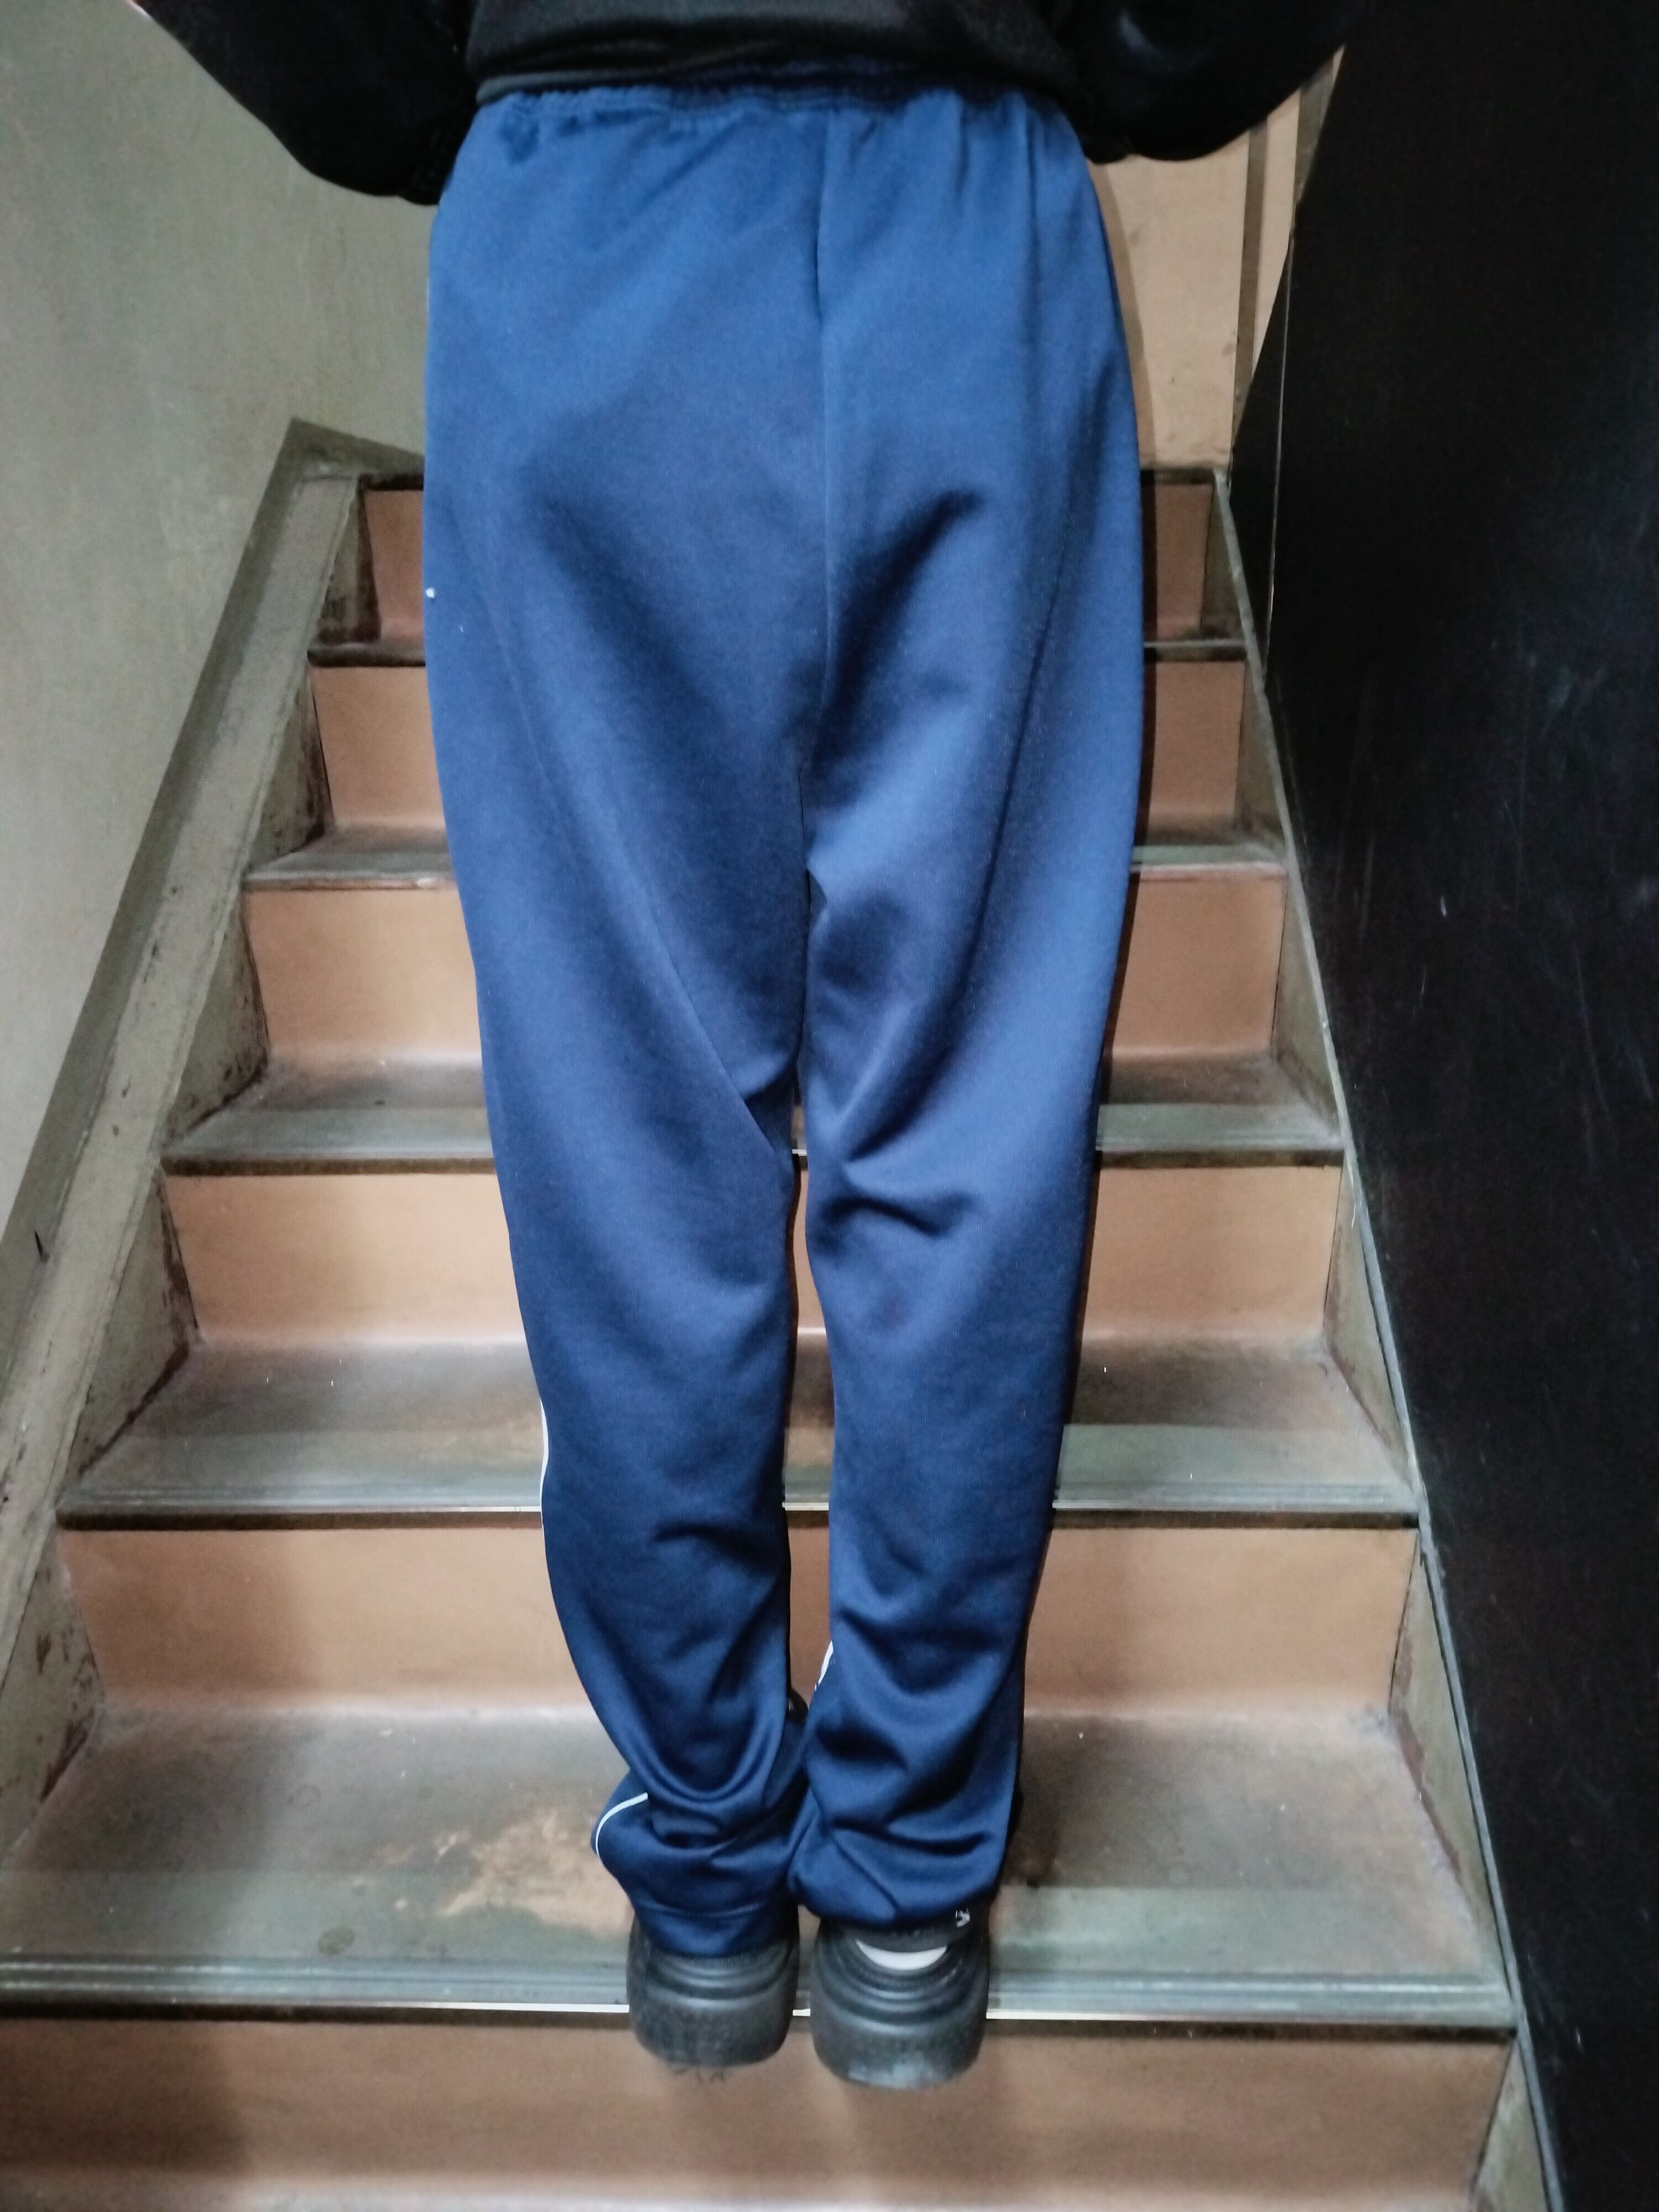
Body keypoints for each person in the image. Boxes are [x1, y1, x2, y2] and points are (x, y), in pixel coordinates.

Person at [141, 0, 1370, 2089]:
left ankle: (712, 1877)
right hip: (962, 233)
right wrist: (1111, 51)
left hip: (587, 246)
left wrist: (449, 75)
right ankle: (898, 1897)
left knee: (630, 1154)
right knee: (964, 1139)